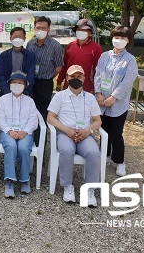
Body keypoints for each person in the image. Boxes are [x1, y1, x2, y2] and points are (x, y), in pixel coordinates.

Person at [47, 65, 102, 207]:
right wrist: (67, 130)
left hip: (85, 134)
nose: (75, 79)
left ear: (84, 78)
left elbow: (98, 120)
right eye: (72, 76)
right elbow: (50, 117)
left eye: (79, 76)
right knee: (66, 150)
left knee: (94, 152)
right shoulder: (59, 96)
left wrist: (88, 131)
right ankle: (67, 186)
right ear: (67, 78)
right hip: (65, 134)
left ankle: (90, 189)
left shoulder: (90, 98)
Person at [94, 26, 138, 177]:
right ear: (112, 38)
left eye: (123, 38)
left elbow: (127, 81)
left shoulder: (130, 60)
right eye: (116, 37)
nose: (118, 41)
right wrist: (98, 93)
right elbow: (98, 75)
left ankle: (119, 162)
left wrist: (113, 97)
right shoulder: (105, 56)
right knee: (103, 131)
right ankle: (104, 156)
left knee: (116, 133)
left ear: (128, 41)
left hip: (117, 103)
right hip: (101, 101)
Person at [0, 71, 38, 198]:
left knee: (24, 148)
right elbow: (0, 119)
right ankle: (10, 180)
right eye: (14, 82)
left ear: (25, 85)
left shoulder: (30, 101)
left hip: (25, 132)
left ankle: (25, 180)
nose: (17, 85)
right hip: (7, 132)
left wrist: (24, 132)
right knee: (11, 146)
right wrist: (10, 131)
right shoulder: (3, 100)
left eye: (20, 83)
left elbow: (33, 120)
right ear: (9, 84)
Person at [26, 16, 63, 145]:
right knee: (29, 112)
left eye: (43, 28)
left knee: (42, 114)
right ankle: (27, 142)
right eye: (38, 27)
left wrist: (47, 76)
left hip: (45, 83)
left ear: (48, 29)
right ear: (34, 28)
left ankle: (39, 145)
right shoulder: (30, 43)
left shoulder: (55, 46)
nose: (40, 30)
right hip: (30, 82)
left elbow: (58, 67)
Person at [56, 19, 103, 93]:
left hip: (87, 87)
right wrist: (59, 82)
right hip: (69, 85)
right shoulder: (70, 46)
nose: (81, 32)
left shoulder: (96, 48)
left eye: (84, 30)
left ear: (90, 33)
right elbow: (64, 66)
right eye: (79, 29)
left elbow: (98, 70)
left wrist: (94, 88)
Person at [0, 26, 36, 97]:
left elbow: (31, 75)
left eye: (20, 37)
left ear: (24, 38)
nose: (17, 39)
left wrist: (25, 91)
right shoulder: (4, 55)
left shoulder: (30, 55)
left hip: (25, 92)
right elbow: (0, 75)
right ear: (10, 38)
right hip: (7, 92)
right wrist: (7, 91)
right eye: (15, 37)